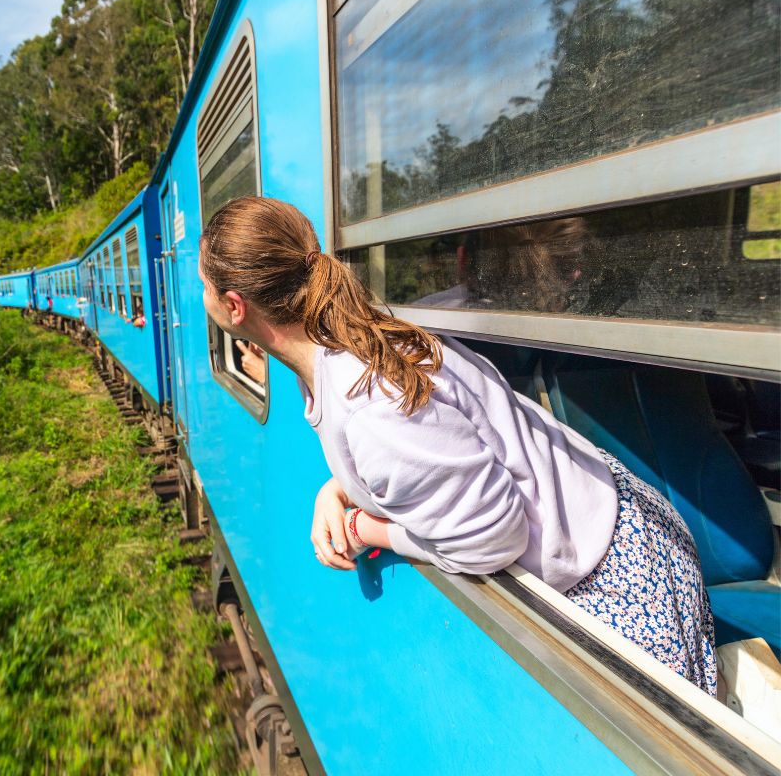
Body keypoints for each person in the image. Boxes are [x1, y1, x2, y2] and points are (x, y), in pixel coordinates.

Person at [198, 196, 717, 696]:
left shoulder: (366, 405)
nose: (201, 297)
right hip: (608, 518)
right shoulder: (345, 343)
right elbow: (436, 445)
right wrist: (337, 490)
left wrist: (365, 528)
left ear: (235, 306)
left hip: (619, 577)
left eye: (205, 286)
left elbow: (492, 541)